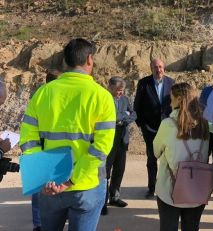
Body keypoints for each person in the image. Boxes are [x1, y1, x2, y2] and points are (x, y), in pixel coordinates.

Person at [19, 38, 116, 231]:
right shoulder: (102, 97)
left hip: (50, 187)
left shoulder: (43, 93)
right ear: (90, 59)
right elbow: (100, 148)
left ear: (65, 61)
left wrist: (43, 178)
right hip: (86, 187)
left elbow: (28, 141)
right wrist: (70, 181)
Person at [153, 82, 209, 231]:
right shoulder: (204, 124)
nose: (170, 102)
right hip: (197, 190)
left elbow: (156, 151)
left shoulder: (168, 124)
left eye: (171, 98)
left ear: (178, 99)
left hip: (170, 191)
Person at [134, 58, 175, 198]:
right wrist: (142, 126)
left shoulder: (171, 83)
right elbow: (137, 106)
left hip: (168, 129)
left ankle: (166, 187)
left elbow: (176, 105)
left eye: (161, 67)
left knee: (168, 159)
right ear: (151, 68)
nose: (159, 70)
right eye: (156, 67)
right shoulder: (143, 83)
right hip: (150, 129)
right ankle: (152, 188)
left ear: (164, 67)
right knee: (151, 159)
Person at [31, 70, 61, 231]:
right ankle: (39, 223)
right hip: (44, 151)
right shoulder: (43, 99)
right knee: (40, 190)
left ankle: (40, 223)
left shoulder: (37, 97)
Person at [102, 77, 137, 215]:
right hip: (108, 140)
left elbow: (133, 114)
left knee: (119, 169)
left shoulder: (125, 99)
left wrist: (123, 118)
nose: (120, 93)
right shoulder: (104, 98)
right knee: (105, 171)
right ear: (110, 87)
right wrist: (123, 116)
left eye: (122, 91)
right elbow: (111, 117)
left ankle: (114, 197)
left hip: (122, 139)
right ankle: (102, 202)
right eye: (117, 90)